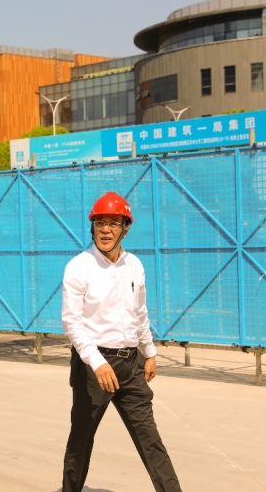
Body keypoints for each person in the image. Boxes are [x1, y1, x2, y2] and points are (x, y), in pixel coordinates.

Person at [61, 192, 182, 492]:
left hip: (131, 364)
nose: (105, 230)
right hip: (94, 368)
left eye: (113, 223)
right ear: (92, 227)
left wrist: (149, 351)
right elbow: (72, 322)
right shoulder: (79, 267)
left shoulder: (134, 265)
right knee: (81, 440)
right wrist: (97, 362)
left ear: (125, 227)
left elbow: (139, 312)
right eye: (100, 223)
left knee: (150, 439)